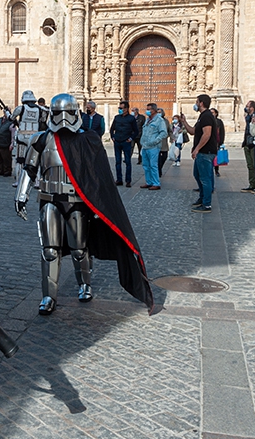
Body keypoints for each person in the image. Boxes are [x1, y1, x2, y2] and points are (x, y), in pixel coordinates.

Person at [15, 93, 153, 316]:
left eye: (67, 113)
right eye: (58, 113)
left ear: (75, 112)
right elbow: (29, 169)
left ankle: (85, 285)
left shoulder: (87, 139)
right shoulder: (41, 139)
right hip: (49, 199)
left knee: (79, 248)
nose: (63, 118)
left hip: (76, 202)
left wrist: (99, 203)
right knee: (49, 250)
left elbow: (97, 175)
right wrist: (21, 195)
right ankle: (48, 296)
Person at [180, 94, 219, 213]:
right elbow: (193, 131)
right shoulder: (202, 116)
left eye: (197, 102)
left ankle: (206, 204)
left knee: (205, 178)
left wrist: (197, 149)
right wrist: (184, 122)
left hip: (205, 152)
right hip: (202, 152)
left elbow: (207, 134)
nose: (195, 104)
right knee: (197, 175)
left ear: (201, 103)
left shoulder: (207, 116)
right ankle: (202, 198)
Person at [11, 90, 47, 180]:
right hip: (35, 137)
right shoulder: (40, 109)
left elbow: (12, 117)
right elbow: (43, 119)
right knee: (36, 159)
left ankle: (19, 180)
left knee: (20, 160)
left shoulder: (21, 108)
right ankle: (37, 180)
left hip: (22, 137)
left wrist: (7, 113)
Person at [110, 100, 139, 187]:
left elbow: (136, 131)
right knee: (117, 161)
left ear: (126, 109)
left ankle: (128, 180)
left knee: (127, 161)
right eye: (119, 108)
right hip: (117, 141)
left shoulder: (131, 118)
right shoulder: (117, 117)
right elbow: (112, 129)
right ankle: (119, 179)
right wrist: (112, 137)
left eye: (121, 108)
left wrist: (131, 138)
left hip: (126, 141)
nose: (120, 109)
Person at [139, 103, 165, 190]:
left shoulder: (159, 120)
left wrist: (156, 141)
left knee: (153, 165)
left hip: (153, 147)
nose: (147, 111)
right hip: (145, 146)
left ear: (154, 110)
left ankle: (156, 183)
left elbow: (163, 133)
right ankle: (148, 182)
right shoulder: (147, 120)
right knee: (146, 165)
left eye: (149, 109)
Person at [241, 101, 255, 193]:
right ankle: (251, 185)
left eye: (247, 106)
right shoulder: (248, 117)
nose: (246, 108)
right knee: (250, 165)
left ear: (252, 108)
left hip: (254, 143)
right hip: (247, 143)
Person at [0, 108, 15, 176]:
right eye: (4, 112)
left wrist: (12, 143)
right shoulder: (0, 120)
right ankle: (0, 170)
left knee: (6, 158)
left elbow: (13, 134)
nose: (5, 113)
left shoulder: (11, 121)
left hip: (6, 142)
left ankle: (7, 171)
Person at [156, 108, 173, 177]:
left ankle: (159, 168)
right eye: (157, 112)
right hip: (156, 142)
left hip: (164, 142)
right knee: (158, 159)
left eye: (160, 112)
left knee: (164, 156)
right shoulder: (155, 121)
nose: (159, 114)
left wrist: (171, 137)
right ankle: (158, 171)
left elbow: (169, 130)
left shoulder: (166, 121)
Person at [211, 108, 226, 177]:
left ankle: (216, 170)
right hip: (210, 142)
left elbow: (222, 132)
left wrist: (221, 141)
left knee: (216, 157)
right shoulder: (208, 121)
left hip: (217, 142)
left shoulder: (219, 121)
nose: (212, 114)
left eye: (213, 112)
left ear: (216, 113)